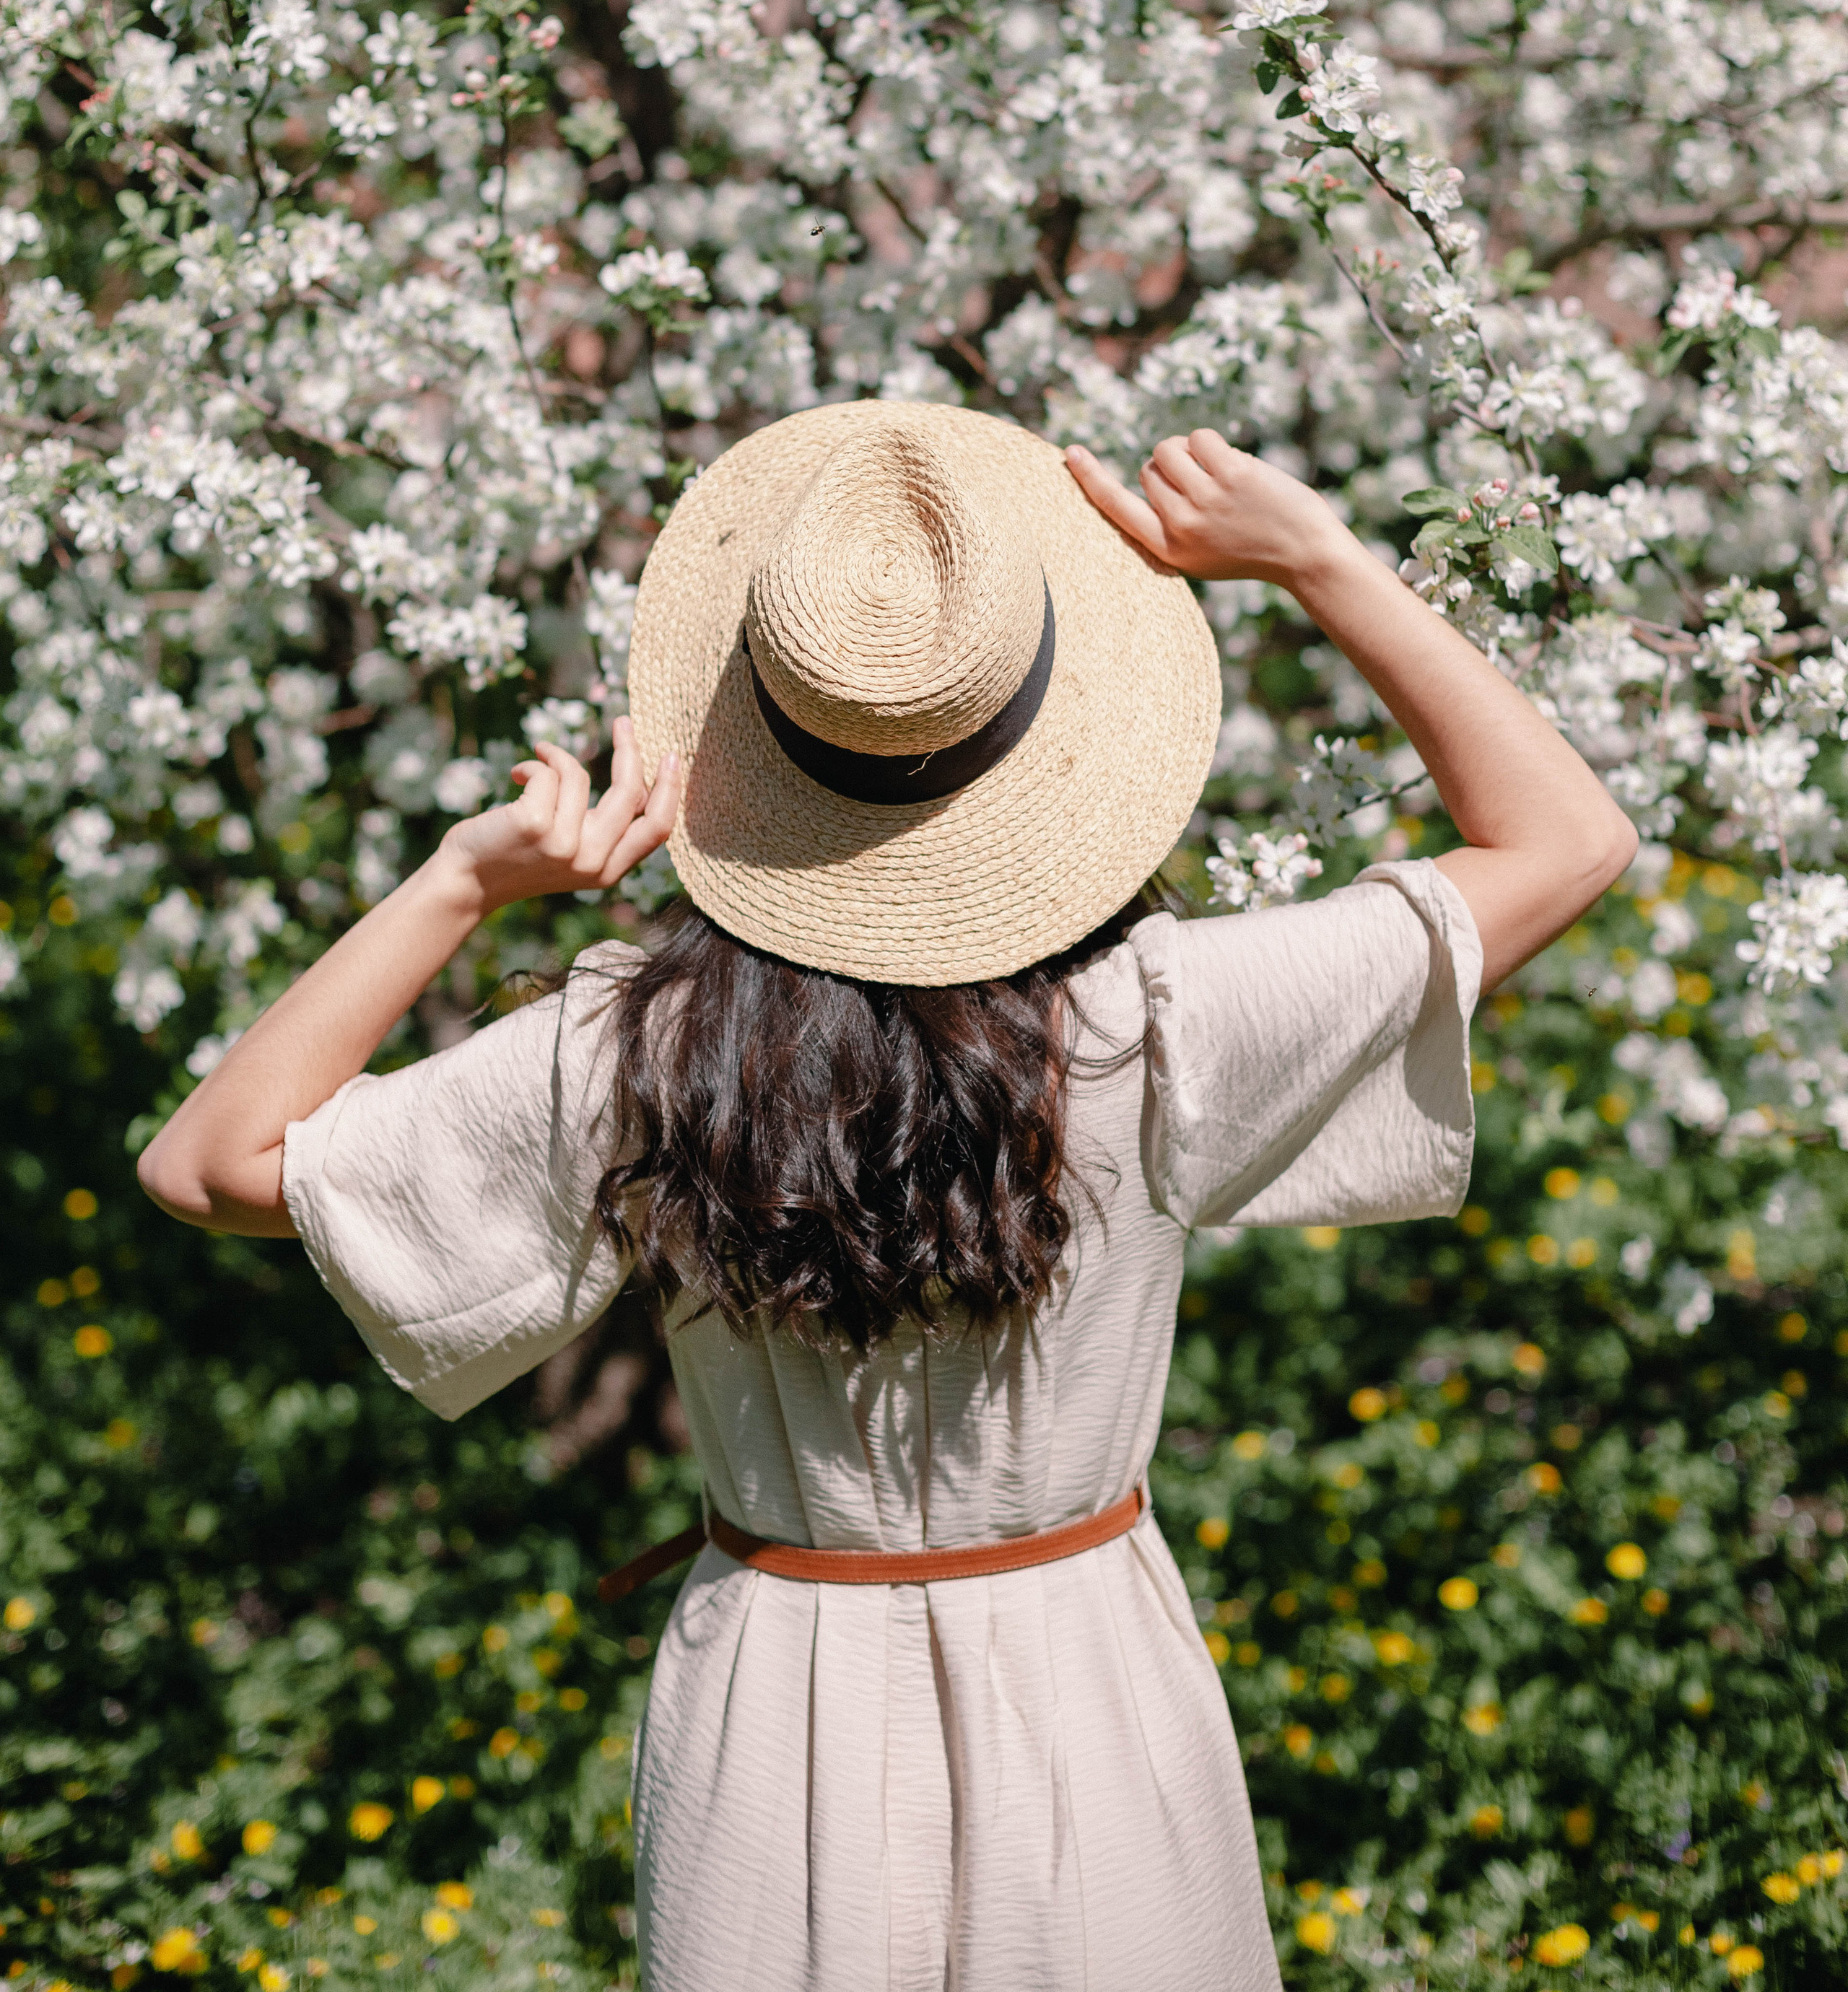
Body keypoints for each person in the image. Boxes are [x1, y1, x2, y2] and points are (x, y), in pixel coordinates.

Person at [139, 409, 1635, 1992]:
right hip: (1087, 1683)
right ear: (1044, 750)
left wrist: (464, 879)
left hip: (773, 1701)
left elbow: (208, 1163)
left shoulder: (640, 1050)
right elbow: (1566, 839)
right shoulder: (1155, 1023)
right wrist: (1318, 559)